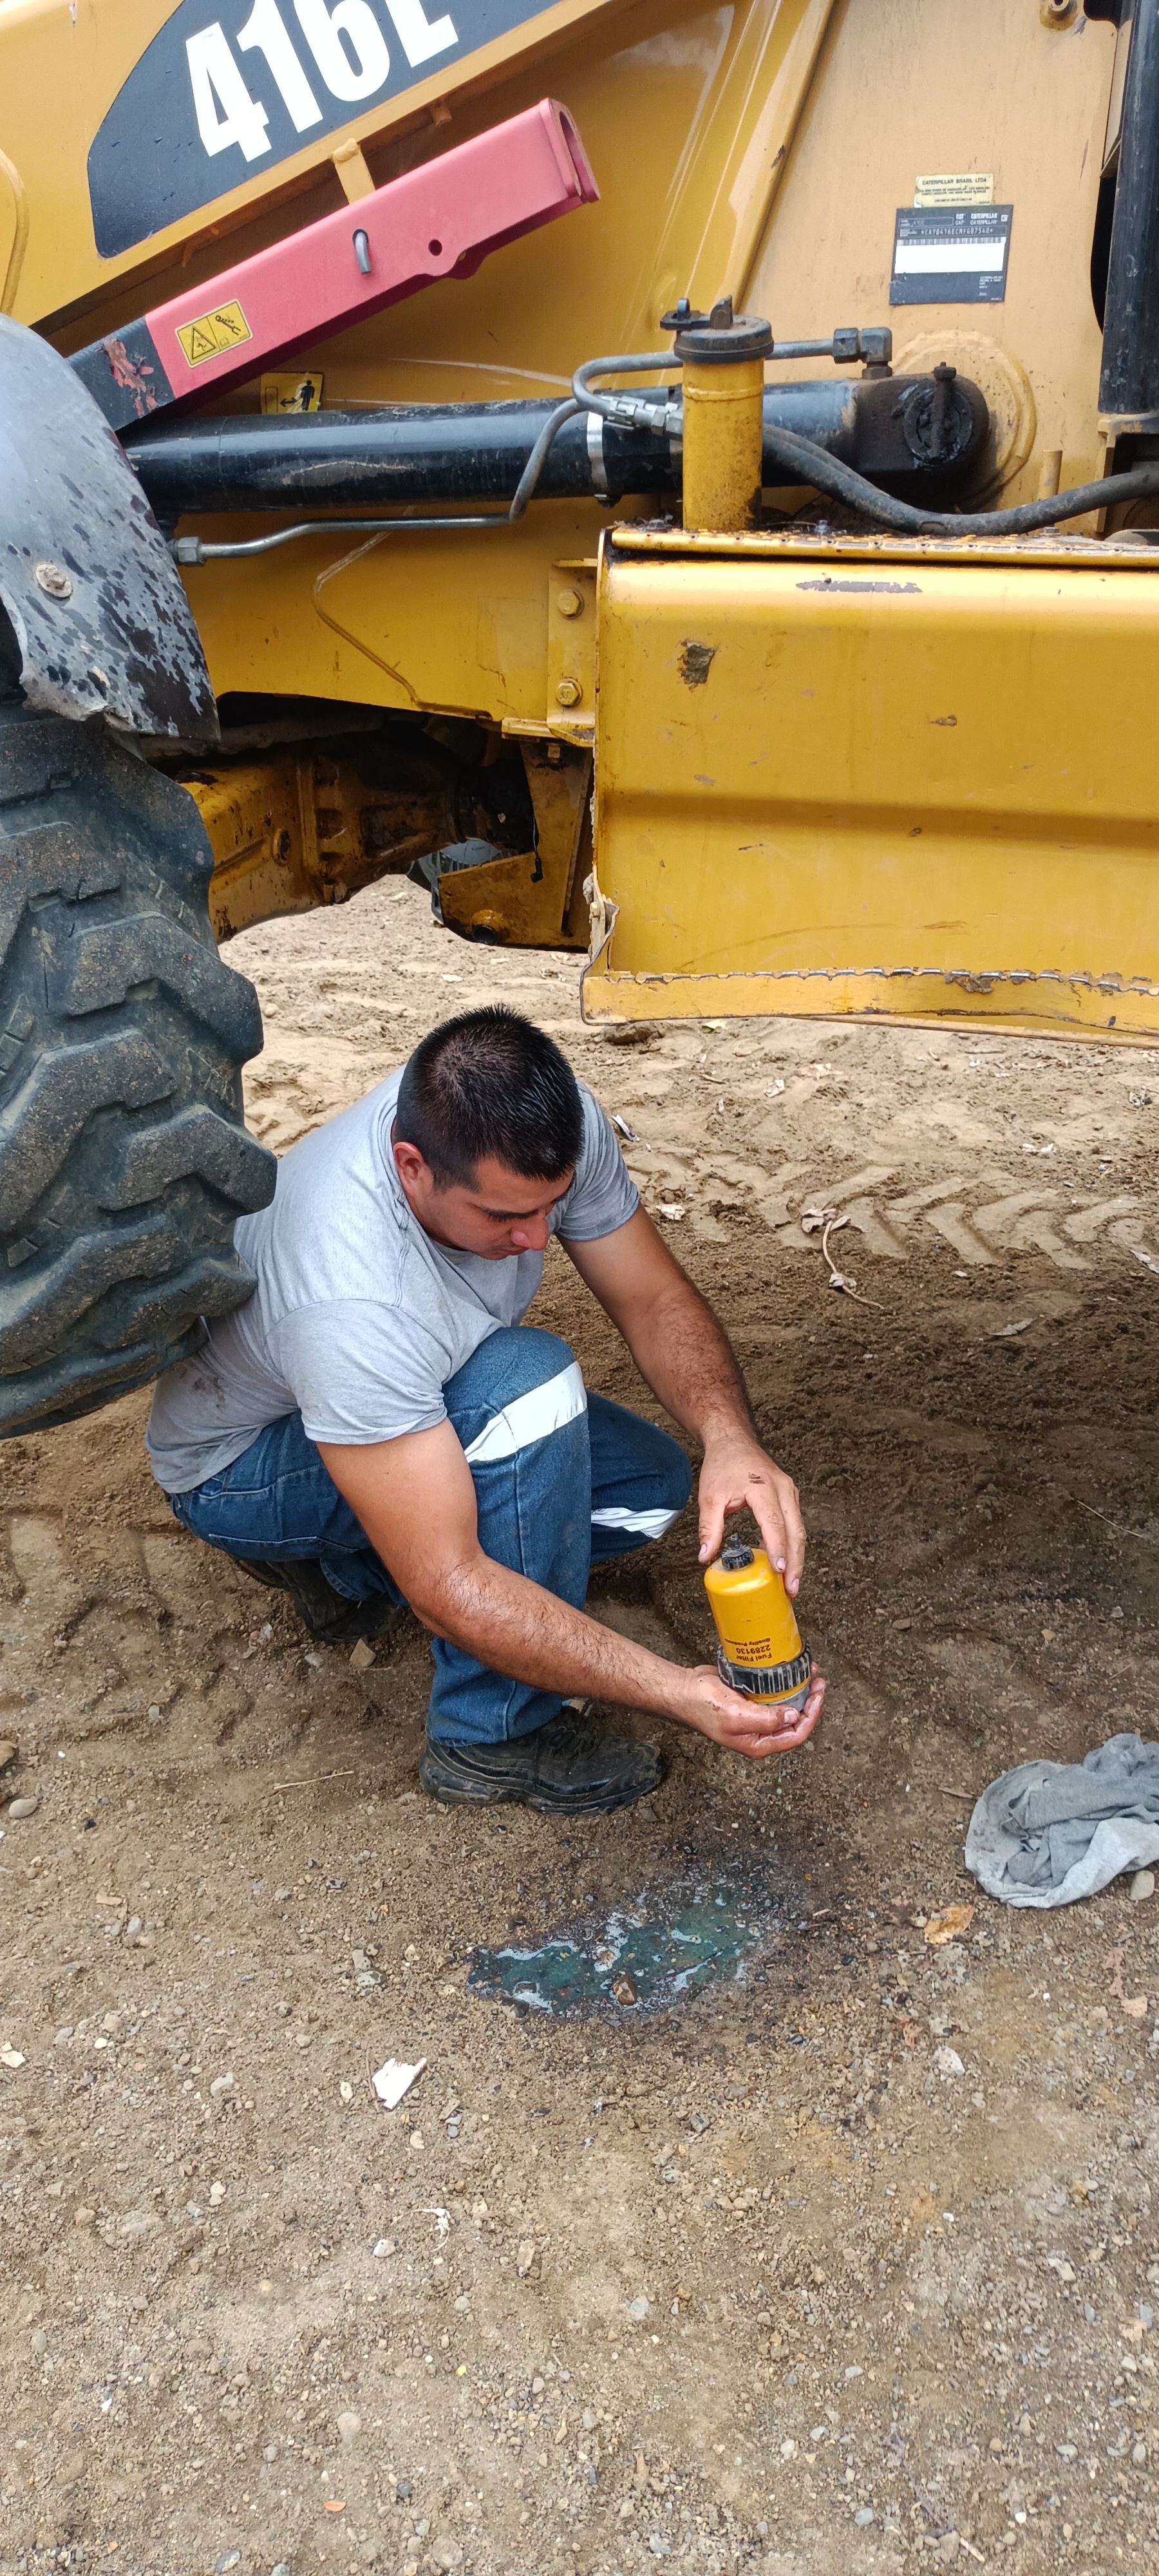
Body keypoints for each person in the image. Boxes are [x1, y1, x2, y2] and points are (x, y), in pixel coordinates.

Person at [147, 1007, 825, 1814]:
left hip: (367, 1400)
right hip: (238, 1464)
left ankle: (346, 1568)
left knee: (650, 1487)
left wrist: (732, 1439)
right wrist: (678, 1691)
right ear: (411, 1167)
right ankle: (490, 1735)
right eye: (504, 1216)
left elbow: (650, 1297)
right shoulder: (350, 1296)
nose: (538, 1239)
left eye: (551, 1206)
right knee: (527, 1390)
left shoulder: (541, 1127)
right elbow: (449, 1583)